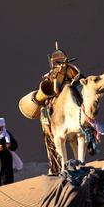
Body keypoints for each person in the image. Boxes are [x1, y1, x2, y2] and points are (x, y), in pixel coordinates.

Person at [33, 43, 81, 174]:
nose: (58, 61)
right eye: (56, 59)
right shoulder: (50, 74)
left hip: (71, 94)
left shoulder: (72, 69)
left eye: (60, 58)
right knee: (46, 110)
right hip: (55, 98)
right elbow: (52, 89)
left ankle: (90, 132)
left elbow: (80, 81)